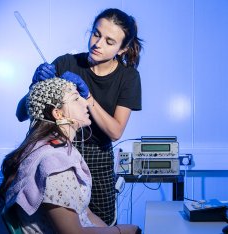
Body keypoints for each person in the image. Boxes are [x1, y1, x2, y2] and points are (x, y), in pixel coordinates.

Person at [16, 8, 142, 225]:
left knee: (100, 221)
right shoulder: (66, 63)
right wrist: (35, 85)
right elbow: (21, 114)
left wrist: (88, 96)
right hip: (57, 151)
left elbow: (115, 131)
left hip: (97, 157)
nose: (97, 43)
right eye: (96, 34)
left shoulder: (128, 77)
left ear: (122, 49)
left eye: (109, 41)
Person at [0, 77, 141, 234]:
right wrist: (122, 231)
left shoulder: (56, 148)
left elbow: (86, 214)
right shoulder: (54, 164)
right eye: (76, 98)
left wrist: (113, 231)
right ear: (58, 114)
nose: (86, 102)